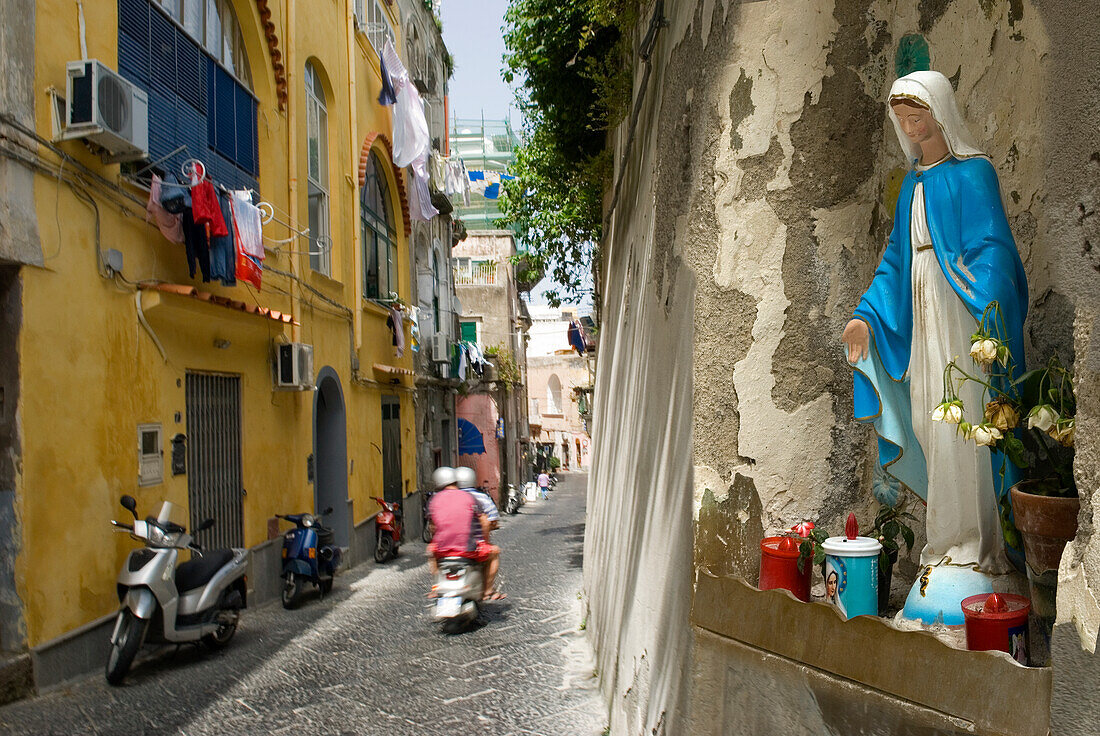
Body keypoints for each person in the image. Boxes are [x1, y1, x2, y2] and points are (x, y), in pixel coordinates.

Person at [842, 70, 1027, 574]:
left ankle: (979, 545)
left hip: (962, 314)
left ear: (939, 113)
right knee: (930, 416)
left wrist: (981, 294)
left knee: (966, 421)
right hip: (922, 316)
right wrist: (865, 316)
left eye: (916, 116)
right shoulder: (910, 186)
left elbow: (995, 250)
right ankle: (943, 542)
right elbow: (896, 262)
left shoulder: (974, 174)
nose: (909, 126)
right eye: (902, 120)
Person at [454, 466, 504, 601]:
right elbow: (491, 521)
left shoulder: (448, 498)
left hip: (448, 546)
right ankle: (488, 590)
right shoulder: (482, 498)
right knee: (494, 553)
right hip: (473, 546)